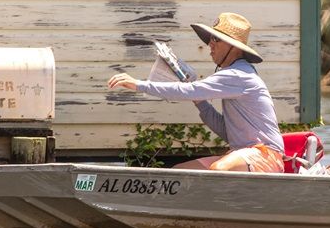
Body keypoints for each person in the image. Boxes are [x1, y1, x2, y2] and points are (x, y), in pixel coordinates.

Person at [107, 12, 285, 172]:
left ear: (234, 48)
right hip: (243, 154)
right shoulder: (235, 73)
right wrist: (199, 100)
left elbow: (190, 90)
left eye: (216, 39)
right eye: (211, 39)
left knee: (219, 169)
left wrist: (139, 84)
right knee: (179, 172)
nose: (210, 44)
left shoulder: (238, 75)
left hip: (266, 156)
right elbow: (226, 131)